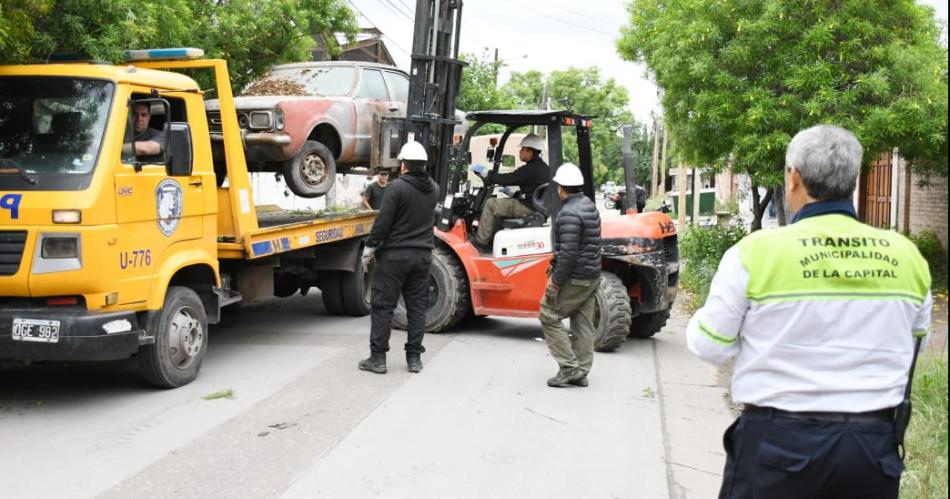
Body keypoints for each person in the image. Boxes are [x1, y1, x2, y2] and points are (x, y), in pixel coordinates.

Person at [686, 125, 933, 499]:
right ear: (853, 178)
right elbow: (916, 343)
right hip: (870, 451)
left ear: (794, 177)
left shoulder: (755, 253)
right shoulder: (907, 256)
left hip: (778, 448)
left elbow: (710, 344)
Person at [359, 141, 440, 375]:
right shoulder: (433, 188)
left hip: (395, 257)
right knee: (416, 308)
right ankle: (414, 359)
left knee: (383, 306)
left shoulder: (397, 188)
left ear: (404, 165)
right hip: (423, 256)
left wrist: (371, 247)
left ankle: (378, 359)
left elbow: (382, 224)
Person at [539, 163, 602, 388]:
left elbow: (569, 253)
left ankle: (569, 369)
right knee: (583, 323)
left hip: (576, 277)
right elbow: (581, 244)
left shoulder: (568, 213)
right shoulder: (589, 206)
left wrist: (555, 283)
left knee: (548, 313)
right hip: (592, 275)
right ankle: (581, 372)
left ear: (561, 188)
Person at [470, 134, 551, 252]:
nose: (520, 152)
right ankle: (492, 240)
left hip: (528, 207)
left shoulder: (530, 169)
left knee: (491, 204)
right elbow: (532, 189)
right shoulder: (542, 168)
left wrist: (487, 172)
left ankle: (481, 242)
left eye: (522, 150)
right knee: (500, 209)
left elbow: (508, 178)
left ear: (530, 152)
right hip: (533, 204)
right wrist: (513, 193)